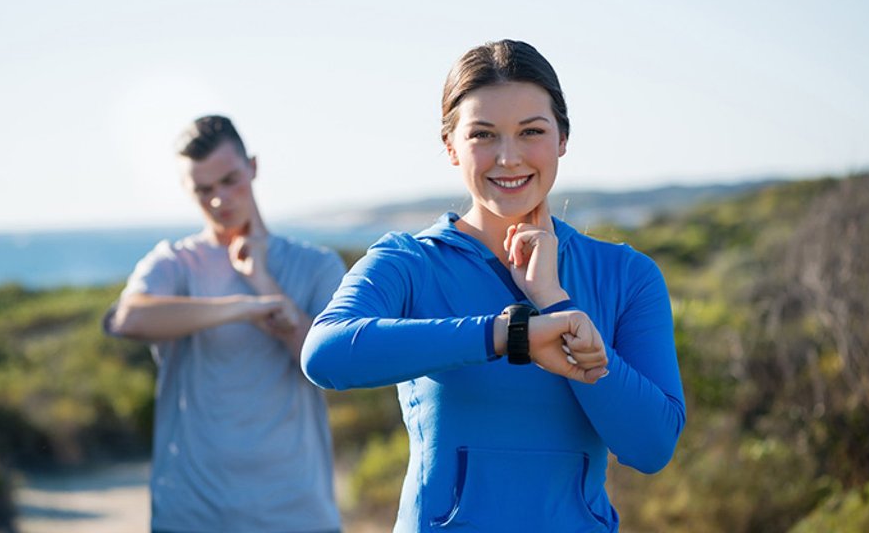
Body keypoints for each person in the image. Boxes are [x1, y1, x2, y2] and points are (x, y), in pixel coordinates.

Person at [301, 40, 686, 532]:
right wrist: (508, 334)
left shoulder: (626, 275)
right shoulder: (409, 262)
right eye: (483, 134)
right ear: (450, 147)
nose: (508, 158)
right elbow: (325, 354)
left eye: (531, 132)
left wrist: (553, 299)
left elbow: (651, 447)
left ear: (562, 138)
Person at [104, 115, 345, 533]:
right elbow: (128, 318)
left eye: (230, 180)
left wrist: (264, 285)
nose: (219, 200)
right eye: (203, 190)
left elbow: (336, 368)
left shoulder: (316, 264)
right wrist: (240, 306)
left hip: (296, 516)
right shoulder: (174, 262)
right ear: (187, 190)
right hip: (191, 517)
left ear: (253, 167)